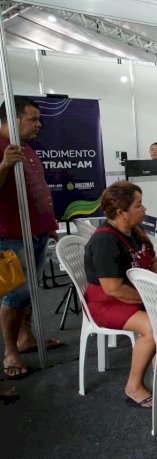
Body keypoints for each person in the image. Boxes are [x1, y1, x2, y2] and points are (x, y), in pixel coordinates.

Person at [83, 180, 157, 409]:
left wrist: (153, 285)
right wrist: (150, 298)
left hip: (131, 294)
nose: (144, 210)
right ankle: (133, 387)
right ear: (121, 213)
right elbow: (113, 289)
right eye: (138, 205)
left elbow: (152, 260)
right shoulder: (105, 241)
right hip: (106, 302)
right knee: (153, 327)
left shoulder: (134, 231)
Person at [1, 96, 61, 381]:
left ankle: (26, 338)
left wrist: (48, 223)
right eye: (32, 119)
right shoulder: (5, 150)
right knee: (16, 295)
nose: (39, 124)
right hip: (11, 237)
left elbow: (35, 189)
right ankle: (10, 350)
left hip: (36, 232)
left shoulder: (25, 149)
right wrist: (3, 166)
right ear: (12, 120)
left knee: (30, 291)